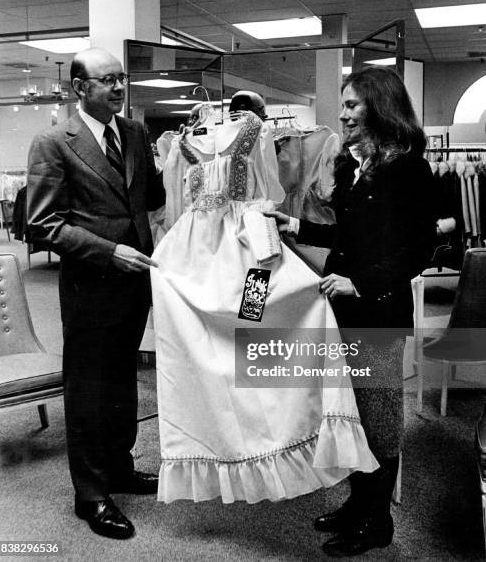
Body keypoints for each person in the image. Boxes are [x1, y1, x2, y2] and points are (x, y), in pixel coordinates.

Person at [150, 102, 378, 506]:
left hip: (249, 250)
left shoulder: (254, 132)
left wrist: (272, 238)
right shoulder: (182, 145)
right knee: (205, 343)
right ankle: (226, 432)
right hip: (195, 258)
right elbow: (174, 208)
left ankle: (274, 428)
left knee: (253, 331)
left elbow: (269, 194)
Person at [266, 65, 436, 557]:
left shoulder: (408, 168)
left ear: (380, 107)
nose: (342, 115)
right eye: (342, 106)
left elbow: (417, 249)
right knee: (352, 411)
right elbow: (348, 234)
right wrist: (297, 227)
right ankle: (358, 503)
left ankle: (376, 521)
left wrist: (360, 282)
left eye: (351, 106)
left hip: (378, 312)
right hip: (343, 311)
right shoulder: (351, 164)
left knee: (379, 415)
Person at [27, 47, 166, 540]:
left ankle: (121, 467)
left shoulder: (133, 132)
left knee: (121, 381)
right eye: (108, 81)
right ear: (80, 89)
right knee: (88, 388)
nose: (120, 88)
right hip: (91, 285)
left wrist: (178, 164)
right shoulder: (53, 142)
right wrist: (110, 252)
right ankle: (91, 494)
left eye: (121, 79)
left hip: (134, 285)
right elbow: (42, 225)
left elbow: (150, 199)